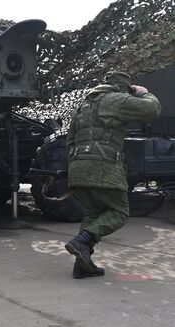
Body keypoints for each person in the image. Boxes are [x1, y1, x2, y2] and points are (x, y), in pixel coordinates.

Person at [65, 71, 161, 278]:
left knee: (93, 214)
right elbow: (152, 109)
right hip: (103, 168)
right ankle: (82, 242)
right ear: (123, 87)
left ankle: (82, 266)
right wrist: (144, 93)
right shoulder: (115, 99)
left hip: (77, 167)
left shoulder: (84, 106)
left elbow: (70, 139)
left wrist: (77, 164)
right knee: (120, 212)